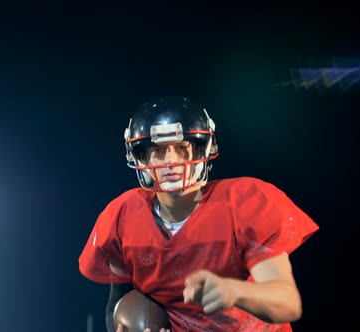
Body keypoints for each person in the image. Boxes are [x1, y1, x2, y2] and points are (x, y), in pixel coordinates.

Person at [78, 96, 319, 332]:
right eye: (158, 151)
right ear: (140, 156)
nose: (170, 160)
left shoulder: (243, 204)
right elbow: (116, 304)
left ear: (200, 151)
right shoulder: (123, 217)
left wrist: (233, 291)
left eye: (182, 148)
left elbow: (286, 302)